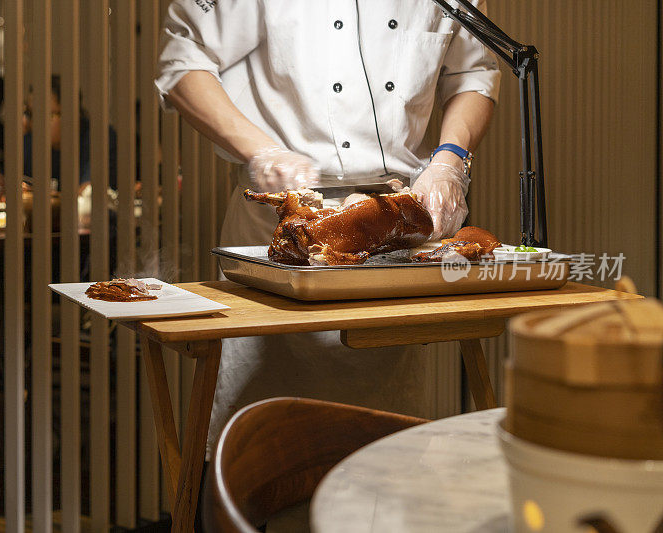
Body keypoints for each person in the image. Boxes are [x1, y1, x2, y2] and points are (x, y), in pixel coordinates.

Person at [156, 1, 501, 457]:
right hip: (280, 218)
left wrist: (450, 158)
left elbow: (473, 73)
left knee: (381, 446)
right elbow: (184, 62)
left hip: (390, 225)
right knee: (259, 448)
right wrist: (263, 152)